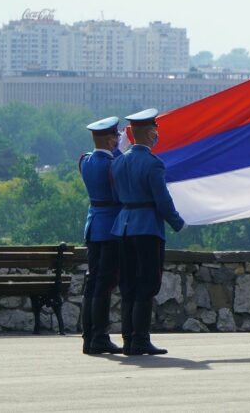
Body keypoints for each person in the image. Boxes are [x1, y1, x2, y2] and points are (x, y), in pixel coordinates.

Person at [111, 108, 185, 355]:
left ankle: (128, 339)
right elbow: (162, 200)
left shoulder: (118, 161)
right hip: (147, 228)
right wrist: (177, 222)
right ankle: (140, 338)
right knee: (147, 283)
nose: (156, 135)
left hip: (123, 226)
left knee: (128, 284)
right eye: (155, 131)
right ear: (150, 133)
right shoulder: (153, 164)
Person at [78, 116, 124, 355]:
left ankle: (89, 336)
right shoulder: (113, 164)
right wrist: (119, 153)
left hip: (93, 225)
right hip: (110, 228)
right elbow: (119, 192)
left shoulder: (85, 161)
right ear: (109, 140)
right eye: (116, 137)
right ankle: (99, 335)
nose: (118, 140)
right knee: (104, 285)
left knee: (93, 283)